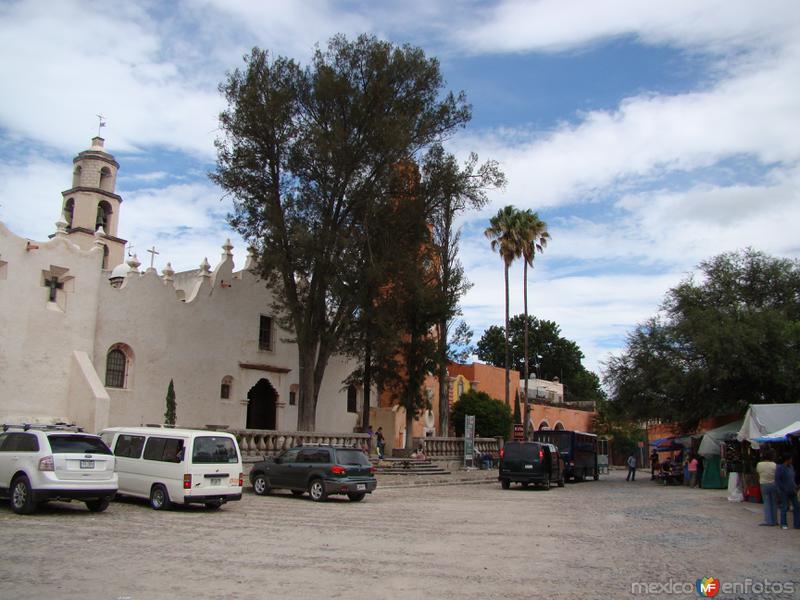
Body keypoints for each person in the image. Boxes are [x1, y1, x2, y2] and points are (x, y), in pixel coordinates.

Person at [775, 454, 799, 530]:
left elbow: (792, 478)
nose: (791, 461)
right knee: (784, 507)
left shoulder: (791, 467)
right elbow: (777, 480)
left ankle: (797, 524)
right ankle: (783, 524)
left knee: (797, 507)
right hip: (784, 491)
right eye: (790, 459)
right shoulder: (780, 468)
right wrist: (782, 488)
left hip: (792, 490)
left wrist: (795, 486)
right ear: (787, 460)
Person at [756, 451, 777, 527]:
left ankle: (768, 520)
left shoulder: (759, 464)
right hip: (773, 484)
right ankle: (775, 520)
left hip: (764, 484)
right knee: (774, 503)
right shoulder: (774, 465)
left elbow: (758, 473)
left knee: (766, 502)